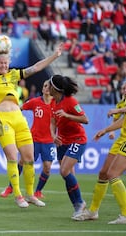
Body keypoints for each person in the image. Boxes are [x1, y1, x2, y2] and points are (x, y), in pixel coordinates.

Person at [0, 41, 63, 208]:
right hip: (2, 120)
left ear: (9, 64)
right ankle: (18, 195)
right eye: (0, 63)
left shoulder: (14, 75)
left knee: (29, 159)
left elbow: (36, 67)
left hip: (19, 119)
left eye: (6, 63)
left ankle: (30, 195)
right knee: (12, 157)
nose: (3, 65)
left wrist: (54, 56)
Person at [74, 58, 126, 224]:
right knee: (104, 173)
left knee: (113, 174)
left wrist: (120, 109)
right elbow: (125, 119)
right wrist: (105, 130)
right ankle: (93, 212)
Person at [0, 80, 56, 199]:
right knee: (22, 162)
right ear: (42, 89)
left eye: (49, 87)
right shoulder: (35, 102)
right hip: (34, 139)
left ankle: (38, 191)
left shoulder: (56, 104)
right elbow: (20, 108)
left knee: (47, 167)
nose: (46, 88)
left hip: (49, 141)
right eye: (45, 86)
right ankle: (10, 187)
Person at [48, 74, 88, 219]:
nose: (47, 87)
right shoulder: (53, 102)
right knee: (67, 175)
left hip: (77, 139)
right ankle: (78, 208)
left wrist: (67, 115)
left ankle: (80, 203)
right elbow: (52, 122)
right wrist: (53, 136)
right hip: (62, 142)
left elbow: (85, 119)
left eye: (49, 85)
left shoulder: (71, 101)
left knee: (64, 171)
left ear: (55, 88)